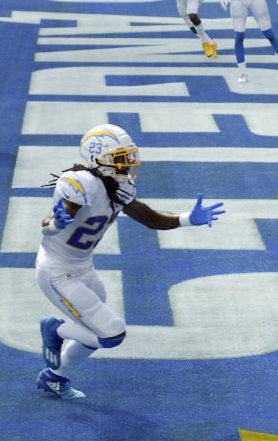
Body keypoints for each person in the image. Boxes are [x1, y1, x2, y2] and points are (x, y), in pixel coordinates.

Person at [35, 124, 224, 400]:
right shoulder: (81, 183)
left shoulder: (116, 186)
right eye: (121, 158)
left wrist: (186, 219)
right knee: (111, 334)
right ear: (98, 158)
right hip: (57, 271)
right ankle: (55, 329)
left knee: (93, 331)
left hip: (82, 267)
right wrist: (54, 224)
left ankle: (54, 377)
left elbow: (150, 218)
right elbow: (49, 221)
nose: (129, 163)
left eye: (129, 156)